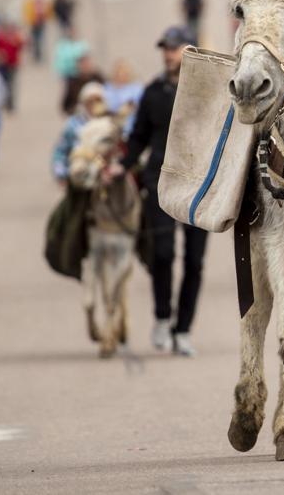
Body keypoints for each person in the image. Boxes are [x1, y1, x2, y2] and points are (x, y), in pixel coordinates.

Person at [118, 26, 208, 357]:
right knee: (162, 254)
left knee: (195, 262)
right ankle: (161, 317)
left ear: (190, 50)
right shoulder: (153, 91)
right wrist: (122, 165)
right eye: (166, 49)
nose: (169, 54)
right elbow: (138, 135)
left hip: (200, 186)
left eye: (175, 48)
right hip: (160, 183)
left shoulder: (208, 91)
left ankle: (183, 330)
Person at [52, 81, 108, 182]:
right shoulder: (73, 124)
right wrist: (61, 173)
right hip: (79, 175)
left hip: (105, 175)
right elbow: (61, 150)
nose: (94, 105)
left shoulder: (109, 123)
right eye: (90, 101)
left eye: (98, 100)